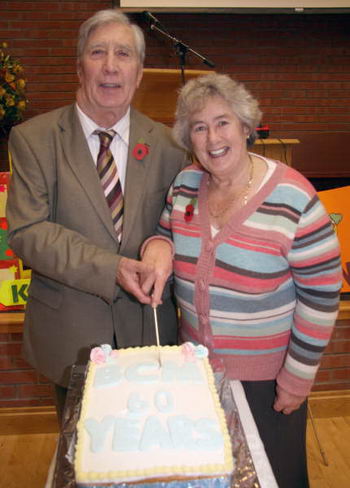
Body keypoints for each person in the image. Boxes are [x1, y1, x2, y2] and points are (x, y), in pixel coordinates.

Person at [136, 73, 343, 488]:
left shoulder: (294, 198)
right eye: (198, 127)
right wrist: (156, 245)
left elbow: (321, 295)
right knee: (210, 477)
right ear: (188, 139)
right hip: (197, 373)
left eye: (222, 121)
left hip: (268, 380)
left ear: (246, 126)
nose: (212, 137)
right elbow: (164, 234)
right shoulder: (185, 185)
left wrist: (297, 377)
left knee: (275, 479)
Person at [6, 9, 189, 423]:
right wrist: (113, 268)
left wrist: (165, 246)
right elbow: (27, 232)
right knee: (85, 465)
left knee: (150, 457)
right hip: (71, 335)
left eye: (123, 54)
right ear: (79, 67)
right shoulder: (34, 140)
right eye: (98, 52)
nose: (110, 66)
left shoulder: (169, 146)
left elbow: (183, 227)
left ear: (139, 72)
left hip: (150, 334)